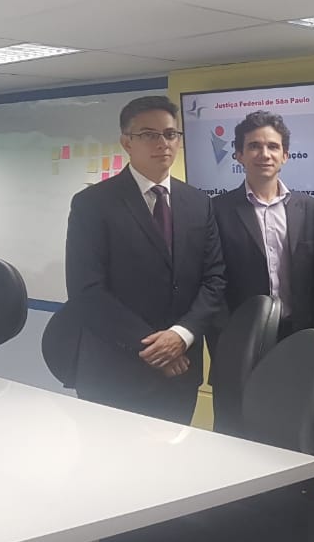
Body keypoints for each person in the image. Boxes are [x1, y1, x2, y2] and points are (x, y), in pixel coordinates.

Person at [64, 95, 225, 423]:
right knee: (111, 470)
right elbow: (87, 290)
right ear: (127, 142)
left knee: (174, 469)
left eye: (170, 134)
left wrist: (181, 335)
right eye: (149, 134)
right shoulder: (93, 204)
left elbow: (214, 279)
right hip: (115, 371)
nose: (162, 143)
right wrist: (154, 348)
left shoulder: (198, 203)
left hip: (180, 371)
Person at [210, 111, 314, 433]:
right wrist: (225, 342)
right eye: (254, 146)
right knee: (237, 432)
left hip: (298, 338)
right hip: (242, 340)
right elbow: (214, 282)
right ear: (238, 154)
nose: (264, 154)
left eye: (273, 147)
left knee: (295, 433)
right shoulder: (218, 211)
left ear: (285, 155)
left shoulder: (309, 209)